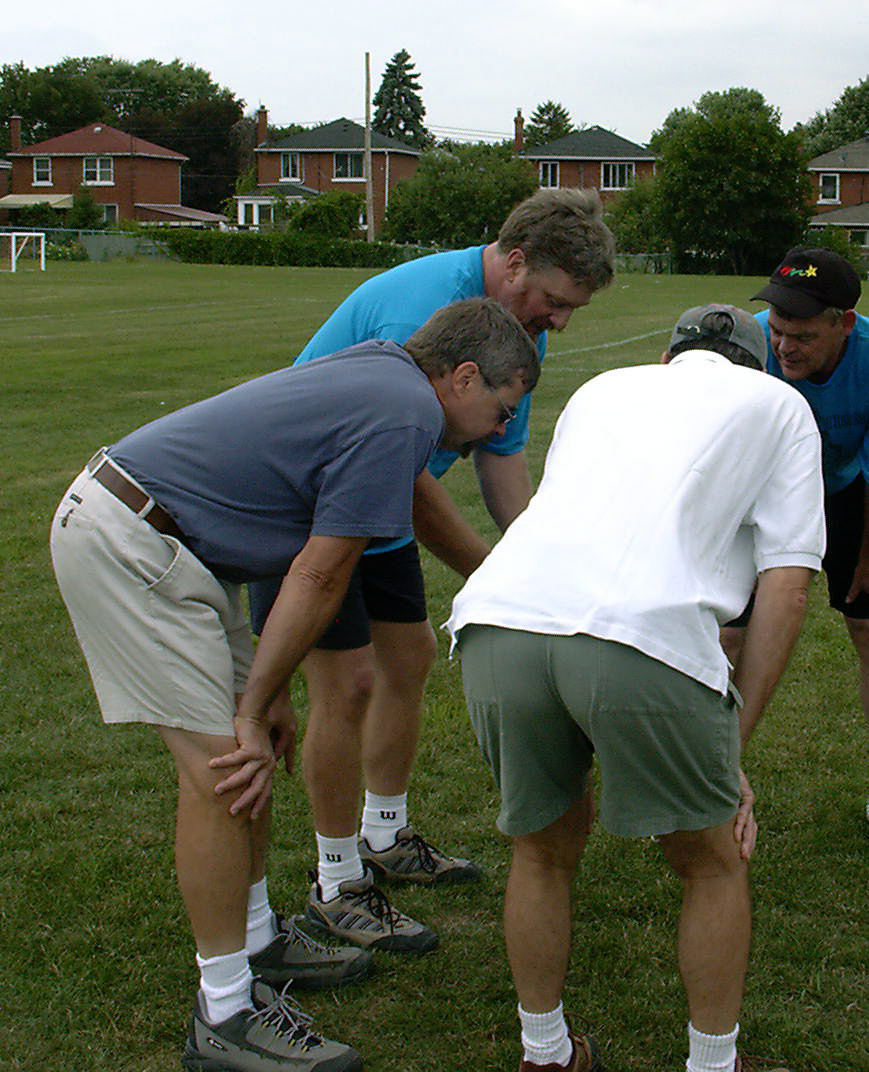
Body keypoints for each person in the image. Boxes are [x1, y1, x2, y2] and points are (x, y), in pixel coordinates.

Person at [50, 299, 539, 1071]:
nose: (496, 429)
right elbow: (321, 568)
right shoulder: (404, 411)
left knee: (247, 758)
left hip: (179, 548)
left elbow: (284, 510)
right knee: (224, 775)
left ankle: (253, 941)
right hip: (132, 543)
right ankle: (224, 1014)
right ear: (465, 375)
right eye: (499, 409)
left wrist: (269, 693)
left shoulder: (385, 375)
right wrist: (250, 706)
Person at [445, 305, 824, 1072]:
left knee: (542, 852)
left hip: (497, 620)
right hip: (640, 635)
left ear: (667, 354)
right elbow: (786, 589)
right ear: (759, 366)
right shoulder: (783, 405)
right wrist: (732, 747)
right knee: (711, 861)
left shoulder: (602, 388)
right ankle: (714, 1065)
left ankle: (545, 1053)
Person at [248, 190, 615, 952]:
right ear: (514, 263)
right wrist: (489, 573)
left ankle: (385, 836)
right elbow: (403, 477)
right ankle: (337, 880)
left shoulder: (518, 328)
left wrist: (536, 561)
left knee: (408, 658)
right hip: (312, 510)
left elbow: (502, 458)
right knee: (346, 684)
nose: (561, 319)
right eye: (554, 300)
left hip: (369, 505)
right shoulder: (421, 308)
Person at [739, 247, 869, 850]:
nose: (785, 347)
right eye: (779, 331)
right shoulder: (752, 349)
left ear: (844, 323)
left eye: (803, 335)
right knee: (726, 629)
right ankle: (708, 774)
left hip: (847, 493)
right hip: (763, 490)